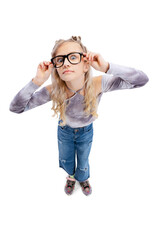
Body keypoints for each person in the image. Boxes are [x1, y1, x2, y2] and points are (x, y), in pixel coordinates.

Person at [9, 36, 149, 196]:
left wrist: (107, 67)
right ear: (56, 67)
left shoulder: (98, 83)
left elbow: (141, 80)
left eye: (73, 57)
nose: (66, 63)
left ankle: (83, 178)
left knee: (83, 161)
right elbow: (16, 108)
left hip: (86, 132)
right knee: (66, 160)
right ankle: (71, 177)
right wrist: (37, 81)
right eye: (60, 60)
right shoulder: (54, 90)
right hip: (64, 131)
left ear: (85, 65)